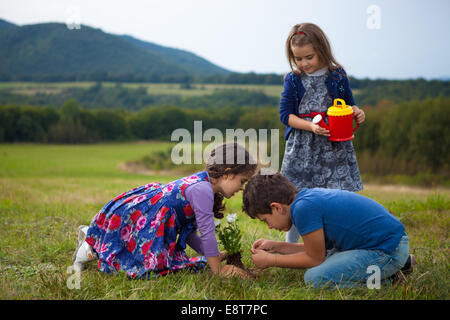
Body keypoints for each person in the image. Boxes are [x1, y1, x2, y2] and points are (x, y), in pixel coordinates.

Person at [72, 142, 257, 279]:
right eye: (242, 181)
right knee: (146, 269)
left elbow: (190, 233)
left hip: (143, 218)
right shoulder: (203, 190)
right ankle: (89, 248)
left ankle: (90, 235)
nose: (242, 188)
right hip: (141, 217)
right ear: (228, 173)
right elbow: (207, 235)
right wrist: (219, 271)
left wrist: (213, 256)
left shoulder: (204, 185)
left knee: (168, 265)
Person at [242, 173, 415, 289]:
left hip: (386, 250)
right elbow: (317, 250)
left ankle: (390, 279)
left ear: (277, 207)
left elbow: (315, 258)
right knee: (329, 257)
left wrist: (272, 260)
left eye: (266, 220)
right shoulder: (304, 200)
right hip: (388, 244)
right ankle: (402, 263)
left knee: (315, 278)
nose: (269, 226)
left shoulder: (303, 210)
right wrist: (278, 246)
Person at [278, 23, 365, 244]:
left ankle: (333, 244)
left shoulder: (337, 76)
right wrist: (311, 127)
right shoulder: (293, 80)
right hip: (303, 149)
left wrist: (357, 112)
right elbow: (286, 116)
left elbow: (349, 106)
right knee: (298, 197)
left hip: (334, 147)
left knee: (333, 197)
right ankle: (292, 244)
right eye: (298, 59)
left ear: (322, 51)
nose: (304, 63)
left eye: (309, 57)